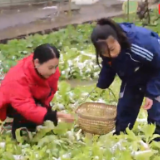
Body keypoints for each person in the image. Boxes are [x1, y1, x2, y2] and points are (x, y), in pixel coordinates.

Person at [91, 18, 160, 137]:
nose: (110, 55)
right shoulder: (107, 49)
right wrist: (102, 84)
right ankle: (121, 135)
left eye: (112, 50)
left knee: (155, 108)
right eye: (105, 53)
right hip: (135, 70)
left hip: (156, 67)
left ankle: (157, 139)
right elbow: (109, 64)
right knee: (125, 108)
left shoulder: (140, 45)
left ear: (118, 38)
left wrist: (152, 92)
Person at [0, 43, 74, 139]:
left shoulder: (51, 72)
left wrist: (46, 111)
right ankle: (18, 137)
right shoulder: (18, 77)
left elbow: (50, 92)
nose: (54, 71)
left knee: (46, 120)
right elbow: (25, 106)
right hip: (10, 105)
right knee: (29, 123)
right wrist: (52, 115)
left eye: (56, 66)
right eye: (50, 67)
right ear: (36, 63)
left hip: (32, 99)